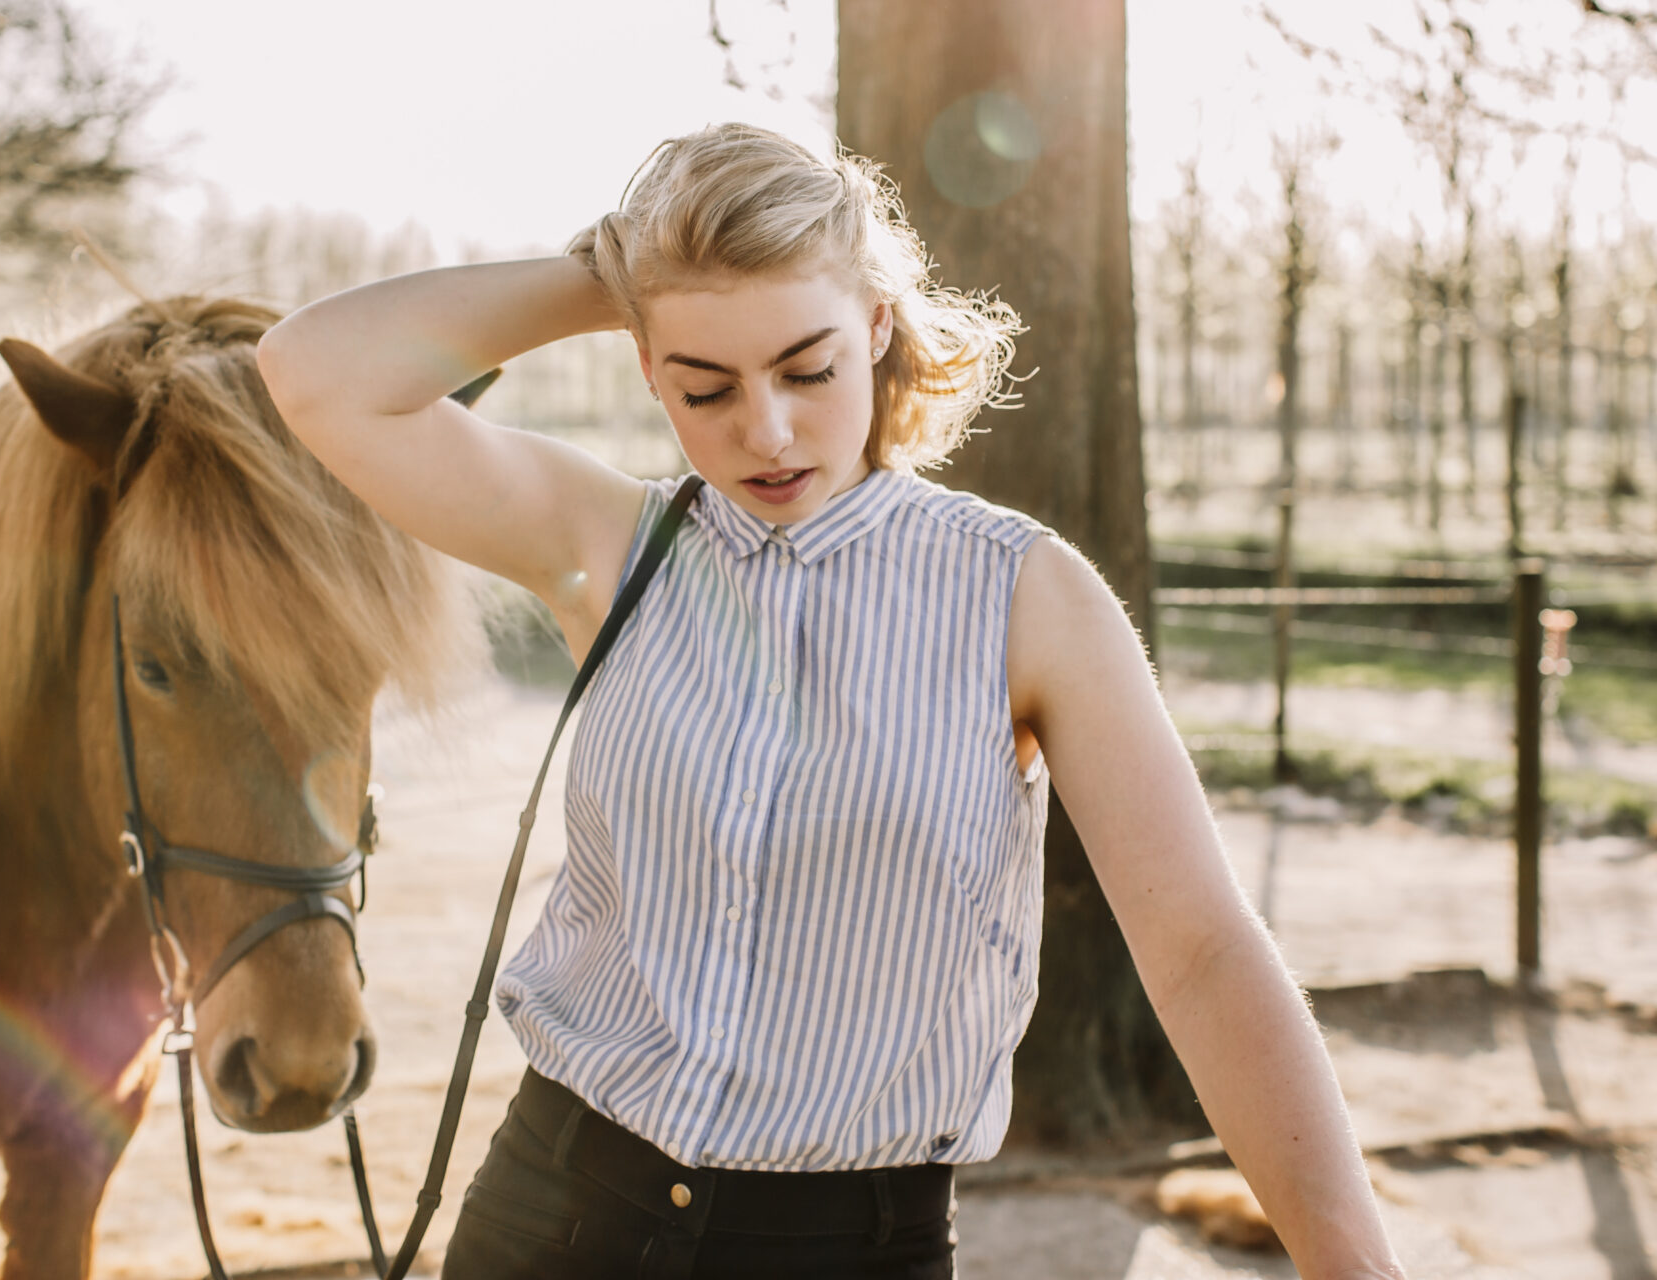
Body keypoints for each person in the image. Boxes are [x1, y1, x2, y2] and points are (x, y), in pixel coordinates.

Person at [256, 123, 1406, 1280]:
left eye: (808, 369)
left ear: (876, 329)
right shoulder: (608, 544)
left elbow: (1201, 946)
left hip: (843, 1245)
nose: (766, 430)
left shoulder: (1024, 594)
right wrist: (612, 279)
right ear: (649, 371)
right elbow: (316, 375)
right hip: (554, 1212)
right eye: (705, 387)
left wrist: (1349, 1256)